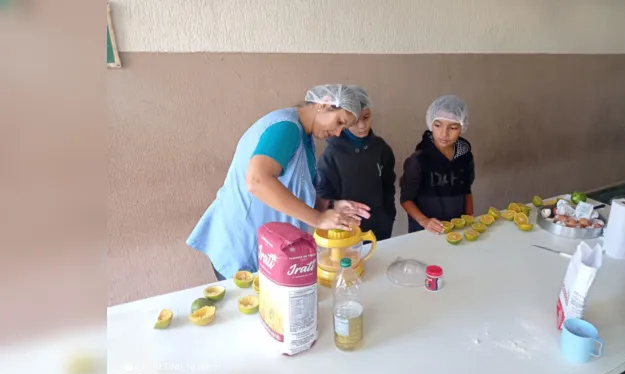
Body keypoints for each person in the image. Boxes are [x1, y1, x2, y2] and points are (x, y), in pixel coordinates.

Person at [187, 84, 371, 280]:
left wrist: (331, 207)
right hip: (243, 244)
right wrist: (318, 220)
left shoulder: (303, 137)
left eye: (343, 128)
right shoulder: (287, 128)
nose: (337, 133)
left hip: (263, 244)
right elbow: (258, 181)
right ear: (324, 104)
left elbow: (295, 190)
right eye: (340, 121)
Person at [316, 85, 396, 241]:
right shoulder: (332, 153)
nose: (362, 126)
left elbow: (388, 187)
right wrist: (335, 207)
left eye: (366, 117)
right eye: (355, 121)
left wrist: (388, 217)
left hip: (379, 228)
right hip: (345, 229)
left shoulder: (381, 149)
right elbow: (323, 196)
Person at [399, 95, 475, 234]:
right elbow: (406, 199)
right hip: (425, 231)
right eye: (438, 125)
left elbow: (466, 189)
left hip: (457, 228)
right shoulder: (418, 160)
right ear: (430, 124)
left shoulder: (465, 157)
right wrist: (424, 221)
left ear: (462, 127)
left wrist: (469, 216)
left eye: (452, 127)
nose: (444, 133)